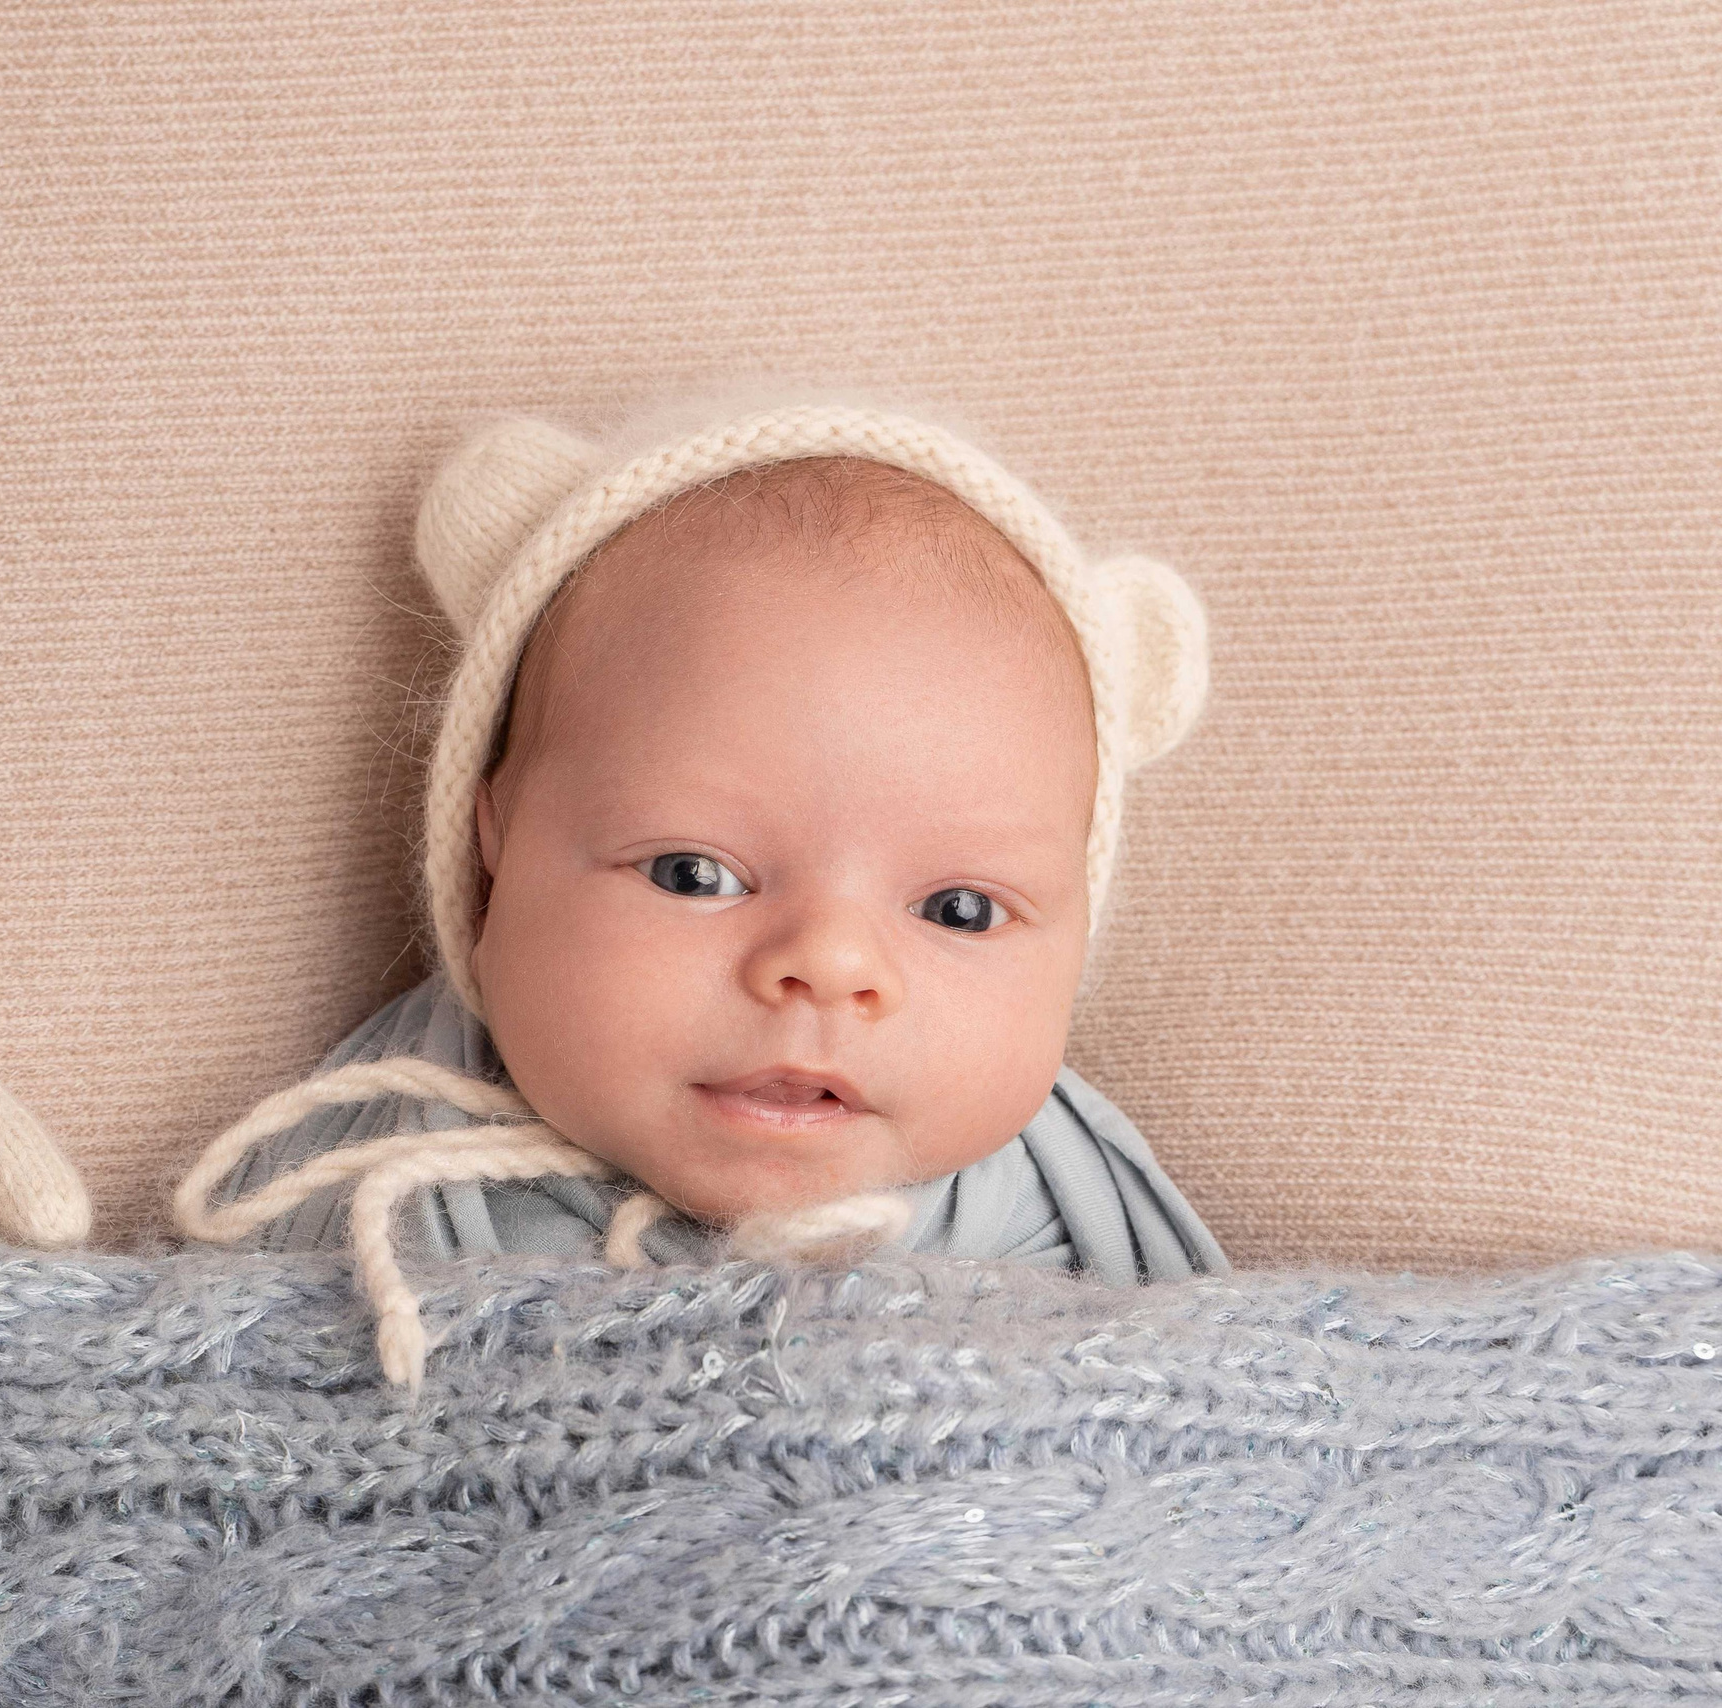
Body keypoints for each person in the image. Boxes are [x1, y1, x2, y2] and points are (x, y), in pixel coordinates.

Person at [173, 391, 1226, 1387]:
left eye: (958, 910)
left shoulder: (1071, 1212)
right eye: (694, 875)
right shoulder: (382, 1173)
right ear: (492, 852)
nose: (827, 964)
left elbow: (1230, 1453)